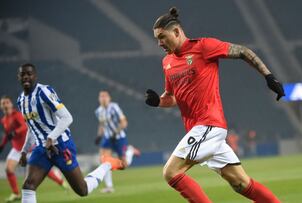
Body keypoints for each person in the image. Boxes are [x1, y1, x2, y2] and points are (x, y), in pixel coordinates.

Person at [145, 7, 284, 203]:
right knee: (241, 184)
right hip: (200, 130)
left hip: (209, 125)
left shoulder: (204, 46)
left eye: (162, 37)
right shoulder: (167, 62)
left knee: (170, 172)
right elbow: (173, 97)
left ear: (176, 32)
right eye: (157, 39)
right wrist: (158, 101)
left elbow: (243, 51)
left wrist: (269, 76)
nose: (159, 43)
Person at [16, 63, 124, 203]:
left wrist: (51, 138)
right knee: (28, 186)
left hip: (60, 146)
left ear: (35, 76)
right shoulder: (20, 101)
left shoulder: (44, 92)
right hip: (41, 149)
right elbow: (32, 127)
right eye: (22, 74)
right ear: (18, 77)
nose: (26, 77)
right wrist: (24, 151)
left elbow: (67, 117)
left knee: (82, 190)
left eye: (29, 74)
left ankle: (107, 164)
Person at [0, 95, 69, 202]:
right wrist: (2, 146)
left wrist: (15, 132)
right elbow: (6, 135)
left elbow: (25, 127)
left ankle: (61, 182)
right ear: (1, 106)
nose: (5, 105)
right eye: (3, 103)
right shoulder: (4, 120)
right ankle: (16, 193)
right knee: (8, 169)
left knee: (41, 169)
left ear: (11, 104)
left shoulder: (17, 115)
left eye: (7, 102)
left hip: (27, 147)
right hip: (16, 148)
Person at [94, 90, 140, 193]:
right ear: (99, 99)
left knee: (124, 165)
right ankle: (109, 187)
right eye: (101, 96)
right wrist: (99, 135)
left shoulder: (114, 107)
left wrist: (116, 132)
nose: (103, 98)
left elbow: (124, 122)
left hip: (119, 138)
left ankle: (130, 151)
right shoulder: (98, 111)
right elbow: (102, 124)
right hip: (107, 139)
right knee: (104, 161)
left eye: (105, 96)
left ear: (109, 98)